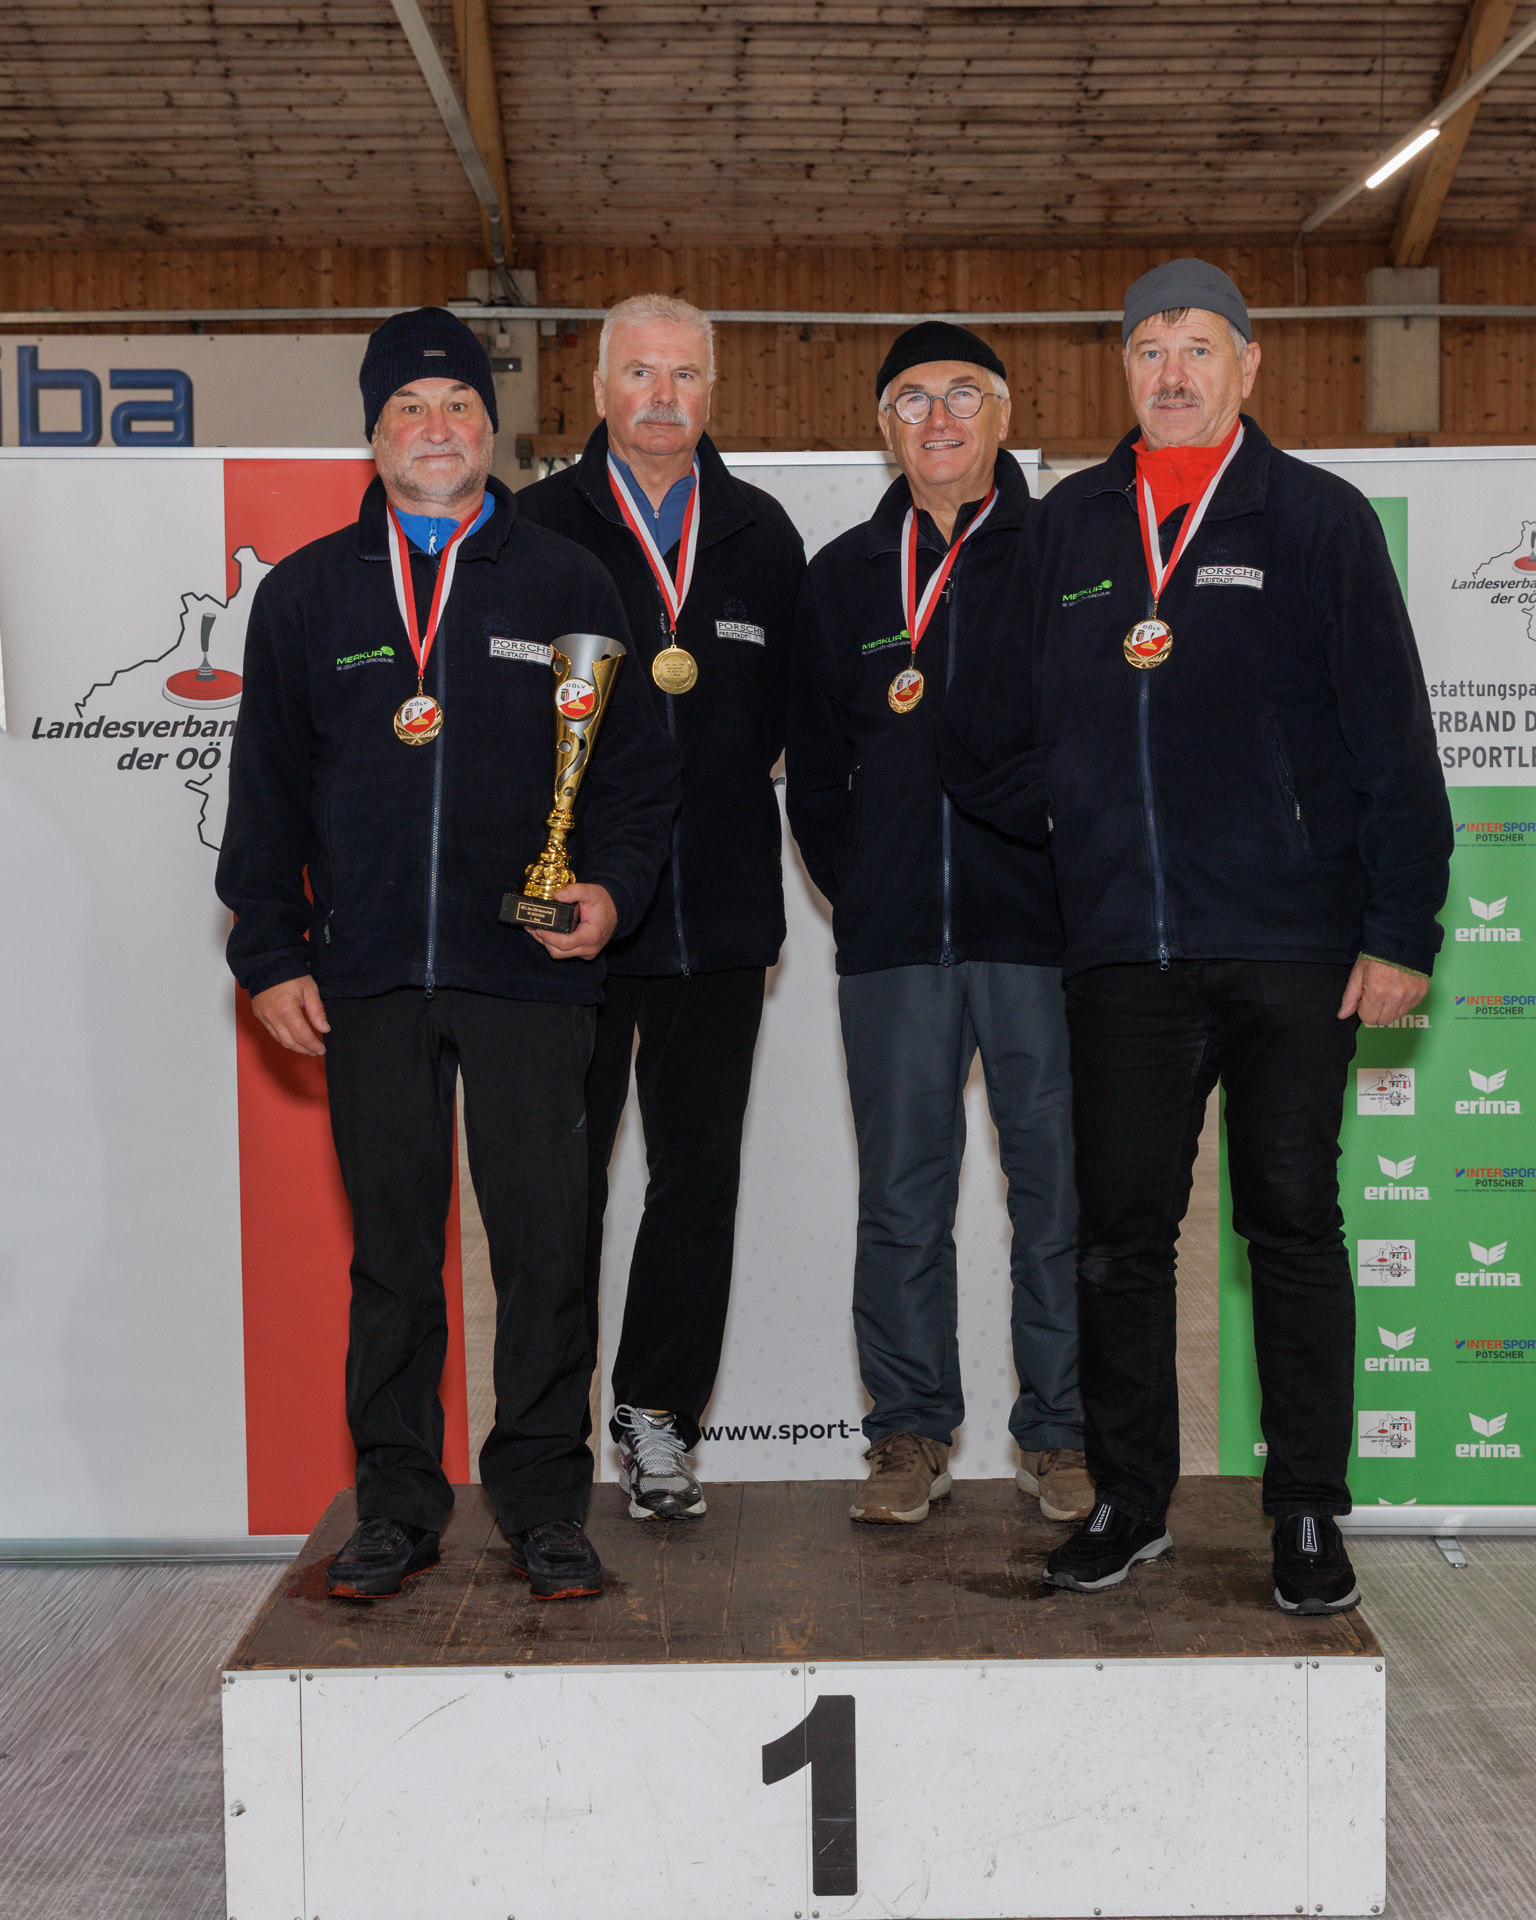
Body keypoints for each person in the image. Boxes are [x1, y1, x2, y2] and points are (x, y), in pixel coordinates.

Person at [940, 259, 1452, 1611]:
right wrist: (1085, 823)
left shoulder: (1320, 519)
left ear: (1247, 365)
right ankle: (1128, 1500)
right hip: (1126, 955)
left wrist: (1401, 931)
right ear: (1124, 369)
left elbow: (1394, 741)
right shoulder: (1066, 526)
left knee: (1292, 1227)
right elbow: (981, 730)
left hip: (1294, 947)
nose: (1172, 373)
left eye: (1198, 347)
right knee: (1120, 1239)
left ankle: (1307, 1512)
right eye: (1150, 349)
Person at [217, 306, 681, 1601]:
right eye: (410, 409)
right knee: (391, 1258)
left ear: (493, 427)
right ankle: (397, 1505)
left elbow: (635, 780)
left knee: (544, 1249)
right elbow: (266, 793)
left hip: (529, 972)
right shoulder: (306, 595)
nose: (437, 428)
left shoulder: (571, 585)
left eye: (460, 406)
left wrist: (610, 893)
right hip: (366, 977)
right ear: (374, 437)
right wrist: (271, 952)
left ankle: (543, 1504)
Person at [785, 320, 1088, 1529]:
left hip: (1041, 937)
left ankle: (1063, 1433)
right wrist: (871, 889)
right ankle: (909, 1433)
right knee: (902, 1199)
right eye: (912, 398)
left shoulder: (1065, 554)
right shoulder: (842, 577)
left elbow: (1092, 743)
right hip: (896, 942)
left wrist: (1067, 875)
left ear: (1005, 415)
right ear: (885, 427)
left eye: (965, 393)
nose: (941, 417)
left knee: (1057, 1195)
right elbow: (816, 773)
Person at [516, 294, 806, 1520]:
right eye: (639, 372)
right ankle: (548, 1433)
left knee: (696, 1184)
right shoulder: (535, 530)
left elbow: (786, 720)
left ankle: (656, 1422)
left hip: (718, 922)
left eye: (685, 375)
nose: (662, 396)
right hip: (571, 926)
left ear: (712, 392)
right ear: (596, 390)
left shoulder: (760, 533)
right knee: (558, 1189)